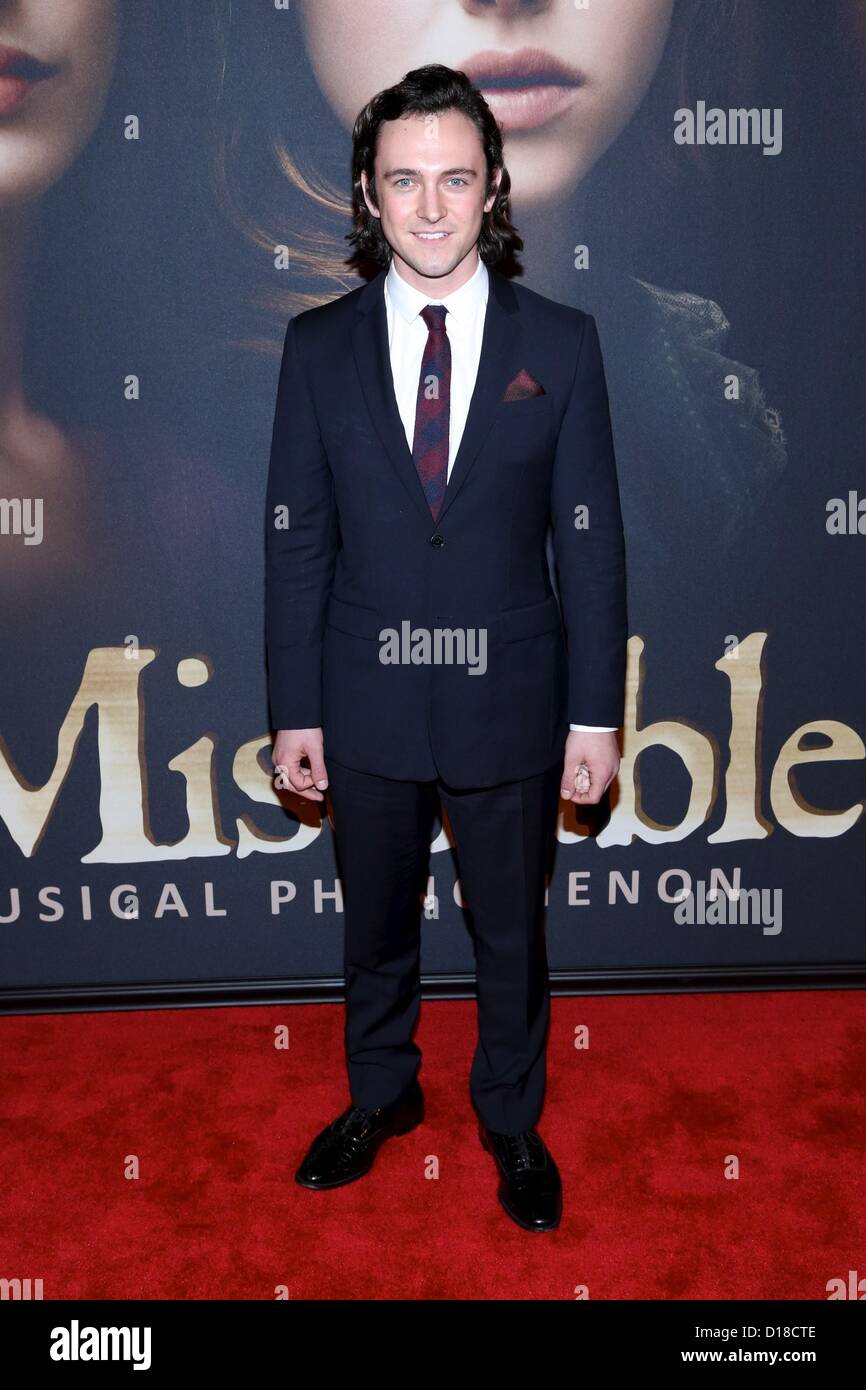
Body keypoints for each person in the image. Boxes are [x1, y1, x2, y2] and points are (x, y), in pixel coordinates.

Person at [265, 65, 627, 1233]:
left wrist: (591, 716)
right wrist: (294, 709)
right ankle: (382, 1096)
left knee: (510, 929)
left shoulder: (562, 345)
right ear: (368, 197)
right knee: (369, 923)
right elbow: (296, 546)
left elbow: (593, 547)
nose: (430, 207)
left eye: (454, 179)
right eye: (403, 180)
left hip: (509, 697)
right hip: (361, 696)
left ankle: (510, 1117)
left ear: (492, 188)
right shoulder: (314, 350)